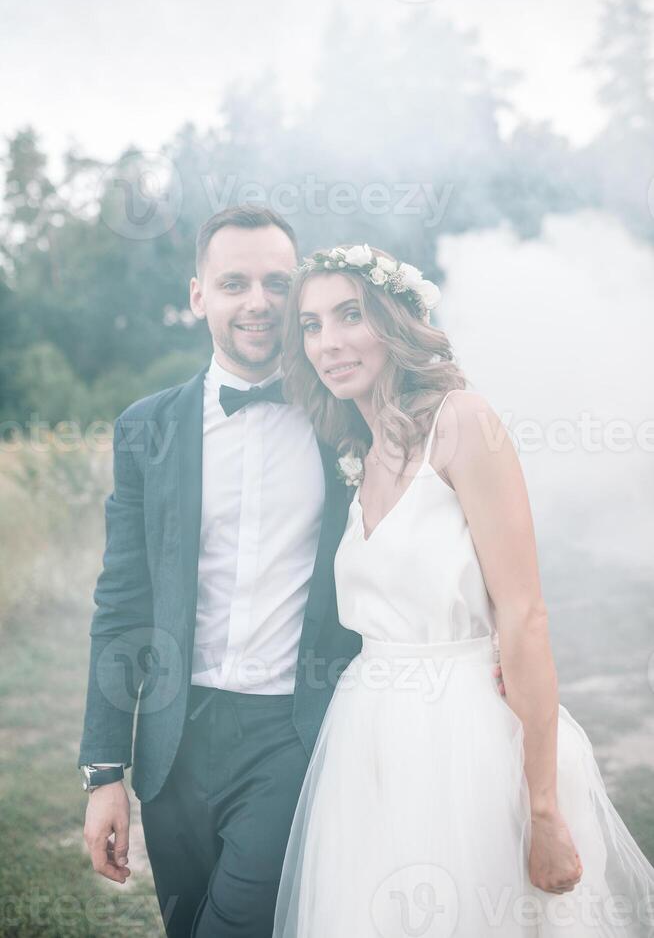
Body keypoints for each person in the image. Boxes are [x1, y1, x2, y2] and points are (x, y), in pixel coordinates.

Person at [78, 208, 506, 938]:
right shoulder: (145, 428)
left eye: (278, 283)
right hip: (172, 743)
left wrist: (493, 634)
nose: (259, 302)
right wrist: (103, 772)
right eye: (234, 282)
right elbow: (122, 603)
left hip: (293, 734)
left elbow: (442, 523)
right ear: (197, 295)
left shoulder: (350, 417)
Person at [272, 244, 654, 937]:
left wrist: (542, 809)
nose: (329, 341)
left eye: (350, 315)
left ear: (394, 320)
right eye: (311, 324)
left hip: (465, 730)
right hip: (368, 736)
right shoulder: (355, 451)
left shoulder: (464, 421)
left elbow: (525, 613)